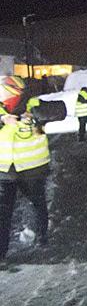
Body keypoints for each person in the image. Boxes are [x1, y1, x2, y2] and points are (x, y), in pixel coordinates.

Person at [0, 76, 50, 259]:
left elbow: (55, 112)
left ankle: (42, 237)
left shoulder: (33, 103)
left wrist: (35, 116)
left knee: (38, 204)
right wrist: (2, 119)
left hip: (32, 168)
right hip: (5, 169)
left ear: (14, 90)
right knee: (3, 213)